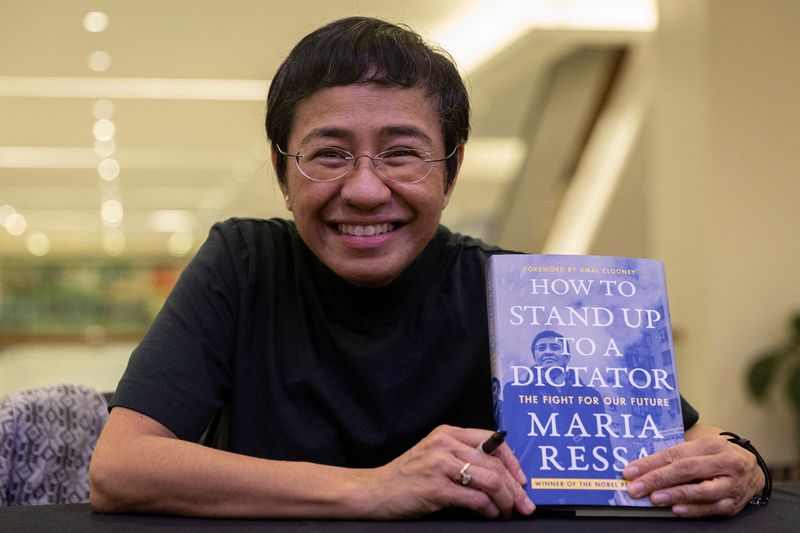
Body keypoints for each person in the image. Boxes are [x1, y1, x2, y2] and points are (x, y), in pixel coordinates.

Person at [89, 16, 766, 519]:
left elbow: (697, 444)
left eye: (401, 153)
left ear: (451, 170)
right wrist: (372, 487)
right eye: (328, 153)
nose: (363, 189)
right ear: (281, 171)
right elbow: (121, 466)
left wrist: (742, 467)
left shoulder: (527, 292)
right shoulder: (244, 262)